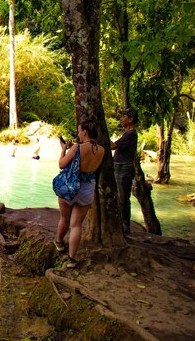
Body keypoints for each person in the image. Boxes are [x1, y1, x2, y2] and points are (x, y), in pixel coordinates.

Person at [54, 120, 105, 269]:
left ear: (85, 132)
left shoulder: (77, 148)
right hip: (88, 188)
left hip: (70, 187)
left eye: (79, 131)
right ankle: (71, 259)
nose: (78, 134)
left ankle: (58, 243)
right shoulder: (101, 150)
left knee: (64, 218)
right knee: (76, 225)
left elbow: (62, 164)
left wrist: (64, 149)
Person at [110, 108, 138, 234]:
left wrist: (102, 136)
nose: (121, 119)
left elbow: (113, 146)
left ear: (130, 119)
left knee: (123, 198)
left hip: (124, 168)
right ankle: (121, 222)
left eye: (123, 117)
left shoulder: (131, 134)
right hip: (119, 167)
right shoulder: (127, 134)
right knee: (120, 197)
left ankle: (125, 224)